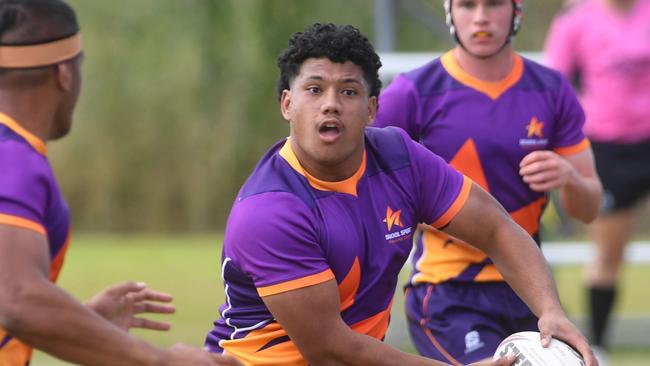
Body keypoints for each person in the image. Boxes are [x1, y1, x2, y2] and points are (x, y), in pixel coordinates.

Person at [204, 22, 597, 366]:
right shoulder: (271, 210)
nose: (330, 105)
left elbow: (496, 228)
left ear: (372, 107)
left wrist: (550, 311)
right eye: (313, 89)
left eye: (348, 92)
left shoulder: (399, 158)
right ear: (287, 104)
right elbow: (329, 350)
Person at [0, 1, 242, 365]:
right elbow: (17, 298)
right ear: (65, 73)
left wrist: (84, 321)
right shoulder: (12, 157)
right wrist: (162, 361)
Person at [372, 0, 603, 364]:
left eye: (493, 4)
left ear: (517, 12)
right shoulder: (412, 93)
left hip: (529, 289)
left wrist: (570, 178)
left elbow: (588, 210)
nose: (480, 17)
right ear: (449, 12)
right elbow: (364, 186)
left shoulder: (550, 89)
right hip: (449, 293)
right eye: (467, 5)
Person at [545, 0, 650, 361]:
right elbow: (554, 86)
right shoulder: (577, 20)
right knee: (610, 252)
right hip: (608, 149)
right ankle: (598, 346)